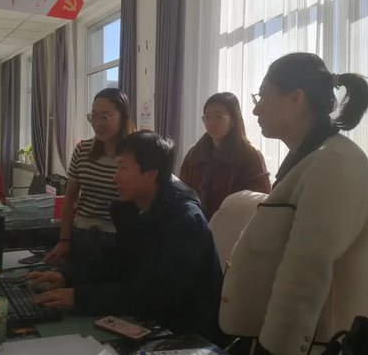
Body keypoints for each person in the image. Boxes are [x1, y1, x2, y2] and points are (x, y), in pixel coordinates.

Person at [219, 53, 368, 355]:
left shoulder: (334, 164)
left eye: (262, 97)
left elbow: (304, 282)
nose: (255, 109)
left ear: (296, 98)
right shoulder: (308, 159)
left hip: (320, 345)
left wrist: (272, 350)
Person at [25, 132, 224, 345]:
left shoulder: (186, 221)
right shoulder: (132, 207)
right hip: (146, 318)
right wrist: (66, 276)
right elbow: (117, 261)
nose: (115, 178)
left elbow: (156, 294)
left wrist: (79, 297)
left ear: (151, 174)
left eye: (123, 168)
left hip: (186, 334)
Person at [43, 88, 136, 264]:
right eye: (93, 116)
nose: (97, 123)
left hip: (119, 239)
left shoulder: (134, 155)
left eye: (105, 117)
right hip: (83, 235)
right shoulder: (83, 149)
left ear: (123, 116)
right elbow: (70, 198)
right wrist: (64, 239)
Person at [180, 92, 271, 218]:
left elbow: (259, 201)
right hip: (195, 223)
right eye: (207, 117)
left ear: (233, 120)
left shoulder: (250, 156)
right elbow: (182, 192)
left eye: (218, 116)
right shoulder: (195, 153)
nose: (212, 122)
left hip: (233, 225)